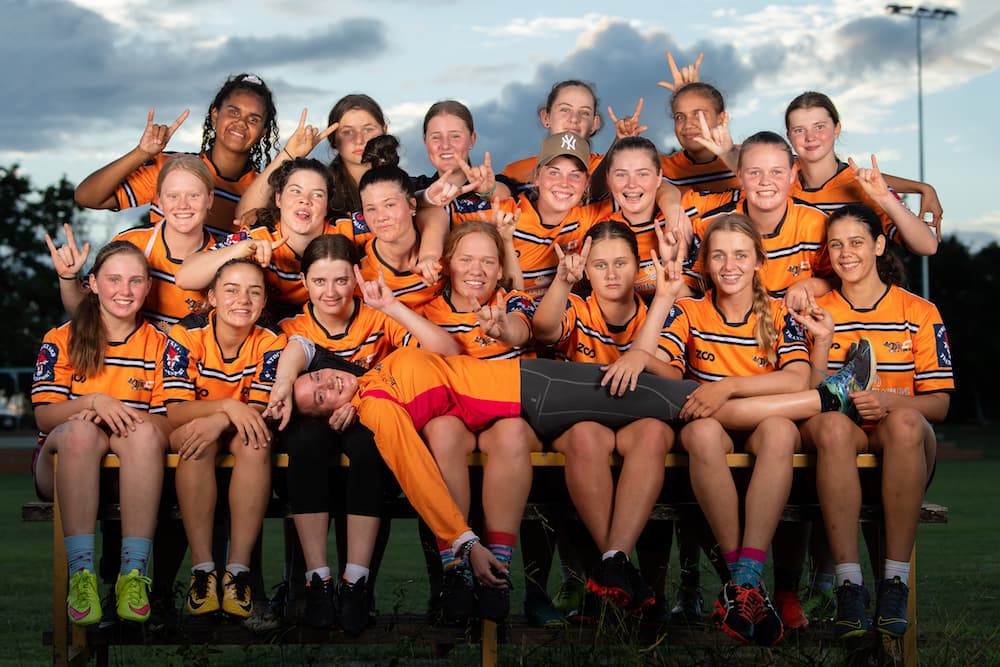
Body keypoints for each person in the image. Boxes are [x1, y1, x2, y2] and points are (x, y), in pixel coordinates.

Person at [636, 214, 817, 646]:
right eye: (718, 255)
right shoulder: (689, 310)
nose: (729, 264)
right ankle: (747, 586)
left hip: (759, 426)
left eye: (740, 254)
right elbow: (664, 369)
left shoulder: (777, 311)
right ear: (704, 263)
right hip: (706, 428)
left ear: (758, 261)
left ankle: (743, 577)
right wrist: (645, 342)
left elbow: (796, 378)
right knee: (698, 432)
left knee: (776, 429)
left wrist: (727, 388)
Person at [274, 233, 458, 631]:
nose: (330, 292)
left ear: (357, 279)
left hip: (370, 414)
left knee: (371, 445)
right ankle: (317, 580)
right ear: (304, 281)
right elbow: (296, 364)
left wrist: (392, 307)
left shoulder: (377, 318)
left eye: (341, 280)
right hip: (315, 423)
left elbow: (447, 353)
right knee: (305, 443)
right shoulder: (294, 326)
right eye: (319, 281)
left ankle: (356, 581)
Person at [794, 203, 952, 639]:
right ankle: (848, 584)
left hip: (898, 444)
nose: (846, 253)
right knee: (832, 426)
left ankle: (893, 582)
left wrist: (886, 401)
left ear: (880, 245)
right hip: (832, 441)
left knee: (904, 424)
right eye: (836, 244)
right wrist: (823, 348)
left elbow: (938, 405)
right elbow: (806, 395)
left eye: (857, 242)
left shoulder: (919, 311)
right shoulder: (815, 310)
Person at [532, 221, 680, 616]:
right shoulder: (577, 307)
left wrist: (642, 354)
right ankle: (617, 566)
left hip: (638, 423)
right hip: (580, 422)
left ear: (637, 267)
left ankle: (612, 565)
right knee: (586, 435)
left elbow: (673, 376)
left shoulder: (661, 308)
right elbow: (544, 330)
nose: (611, 274)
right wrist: (563, 281)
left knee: (653, 433)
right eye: (599, 265)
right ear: (586, 268)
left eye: (620, 263)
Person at [32, 241, 170, 626]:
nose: (124, 291)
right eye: (113, 279)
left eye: (135, 281)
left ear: (148, 287)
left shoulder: (162, 345)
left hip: (136, 471)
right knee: (80, 435)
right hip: (62, 469)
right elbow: (44, 418)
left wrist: (118, 415)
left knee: (140, 433)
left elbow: (170, 424)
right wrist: (92, 402)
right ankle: (82, 576)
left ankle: (133, 576)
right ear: (92, 283)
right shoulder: (60, 338)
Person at [418, 221, 538, 623]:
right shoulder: (428, 309)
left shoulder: (515, 298)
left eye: (488, 261)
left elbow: (520, 332)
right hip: (456, 415)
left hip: (506, 414)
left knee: (512, 431)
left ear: (501, 269)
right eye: (466, 258)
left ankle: (498, 572)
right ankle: (456, 568)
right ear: (448, 263)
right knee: (441, 428)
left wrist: (501, 328)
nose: (477, 269)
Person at [164, 258, 286, 620]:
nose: (242, 299)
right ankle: (203, 571)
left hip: (238, 429)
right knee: (194, 441)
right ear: (212, 296)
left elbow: (259, 413)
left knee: (256, 441)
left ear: (264, 302)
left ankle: (238, 572)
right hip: (195, 430)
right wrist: (228, 409)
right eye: (231, 289)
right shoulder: (184, 334)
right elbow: (174, 412)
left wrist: (224, 416)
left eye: (254, 292)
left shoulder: (271, 342)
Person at [74, 73, 279, 236]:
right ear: (215, 115)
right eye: (233, 112)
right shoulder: (172, 167)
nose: (241, 123)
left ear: (263, 132)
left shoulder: (263, 192)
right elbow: (87, 197)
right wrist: (140, 154)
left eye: (253, 119)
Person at [49, 155, 218, 331]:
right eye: (173, 196)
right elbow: (82, 314)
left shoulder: (222, 255)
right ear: (159, 200)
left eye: (193, 195)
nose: (183, 205)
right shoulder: (131, 243)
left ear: (210, 199)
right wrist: (67, 278)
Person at [175, 157, 339, 319]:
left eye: (317, 195)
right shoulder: (257, 237)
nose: (305, 200)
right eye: (295, 191)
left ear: (327, 206)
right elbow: (185, 278)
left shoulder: (343, 231)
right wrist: (241, 249)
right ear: (278, 199)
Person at [452, 131, 612, 298]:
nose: (564, 183)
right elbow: (440, 212)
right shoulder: (506, 211)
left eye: (575, 175)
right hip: (504, 312)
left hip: (561, 315)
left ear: (586, 183)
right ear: (536, 176)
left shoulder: (590, 215)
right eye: (554, 172)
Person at [784, 91, 942, 252]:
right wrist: (922, 188)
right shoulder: (777, 180)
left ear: (837, 129)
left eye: (819, 126)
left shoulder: (866, 188)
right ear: (788, 136)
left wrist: (886, 198)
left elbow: (928, 247)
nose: (810, 137)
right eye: (799, 130)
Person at [501, 80, 606, 189]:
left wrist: (620, 140)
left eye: (585, 112)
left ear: (594, 124)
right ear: (546, 117)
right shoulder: (516, 172)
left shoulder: (609, 167)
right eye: (565, 110)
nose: (574, 119)